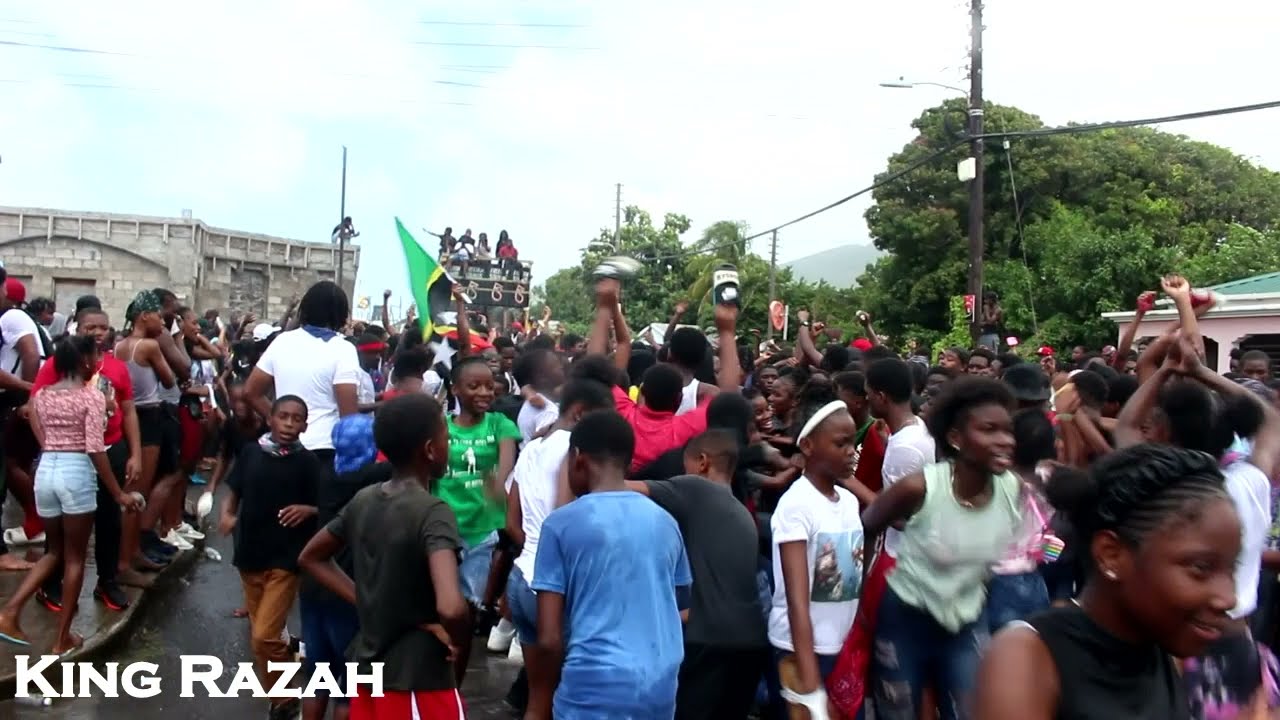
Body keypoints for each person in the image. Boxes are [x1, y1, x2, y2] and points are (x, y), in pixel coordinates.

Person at [975, 445, 1241, 720]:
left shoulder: (1165, 645)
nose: (1229, 598)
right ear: (1111, 555)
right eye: (1201, 568)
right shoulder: (1026, 659)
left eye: (1233, 567)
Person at [299, 394, 469, 720]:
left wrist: (367, 602)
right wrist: (457, 636)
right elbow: (451, 606)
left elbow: (311, 557)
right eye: (446, 437)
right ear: (431, 449)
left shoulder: (364, 499)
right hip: (416, 682)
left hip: (369, 674)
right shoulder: (434, 512)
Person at [862, 376, 1022, 720]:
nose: (1005, 440)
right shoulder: (918, 488)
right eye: (989, 430)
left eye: (1008, 430)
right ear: (955, 439)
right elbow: (869, 524)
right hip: (905, 620)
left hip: (966, 621)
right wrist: (861, 597)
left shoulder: (1013, 490)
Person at [527, 410, 692, 719]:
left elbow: (549, 639)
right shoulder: (665, 522)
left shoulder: (561, 525)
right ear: (629, 461)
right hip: (661, 684)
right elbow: (681, 606)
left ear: (578, 458)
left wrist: (544, 698)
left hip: (593, 685)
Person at [0, 335, 140, 653]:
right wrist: (118, 493)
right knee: (74, 558)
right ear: (85, 361)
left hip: (46, 469)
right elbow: (94, 448)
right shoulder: (89, 397)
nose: (97, 361)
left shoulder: (45, 394)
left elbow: (37, 421)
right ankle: (62, 637)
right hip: (75, 473)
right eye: (94, 356)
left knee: (54, 552)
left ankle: (10, 611)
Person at [625, 429, 770, 719]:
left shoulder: (695, 488)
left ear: (702, 462)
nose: (683, 471)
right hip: (751, 641)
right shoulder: (743, 514)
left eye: (686, 463)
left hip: (710, 640)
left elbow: (617, 487)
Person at [504, 378, 615, 715]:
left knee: (538, 698)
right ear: (580, 414)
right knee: (569, 700)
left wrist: (535, 550)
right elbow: (570, 522)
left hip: (522, 580)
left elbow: (511, 523)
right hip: (556, 589)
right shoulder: (577, 453)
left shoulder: (533, 449)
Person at [33, 306, 144, 611]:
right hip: (74, 459)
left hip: (112, 450)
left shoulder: (117, 367)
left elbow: (129, 409)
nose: (98, 333)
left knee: (110, 522)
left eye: (103, 327)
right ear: (76, 329)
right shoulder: (60, 364)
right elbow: (35, 406)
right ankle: (50, 585)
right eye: (91, 327)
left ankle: (107, 582)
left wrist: (135, 452)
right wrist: (50, 445)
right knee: (63, 527)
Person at [218, 395, 319, 719]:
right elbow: (233, 491)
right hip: (250, 554)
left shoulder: (308, 463)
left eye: (296, 419)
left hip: (286, 560)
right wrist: (228, 514)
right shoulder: (251, 453)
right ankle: (282, 697)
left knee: (264, 636)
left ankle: (286, 695)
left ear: (305, 425)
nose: (289, 424)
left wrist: (309, 509)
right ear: (271, 419)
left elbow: (329, 506)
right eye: (284, 417)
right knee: (260, 638)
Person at [767, 389, 865, 719]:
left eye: (853, 443)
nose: (851, 452)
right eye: (841, 444)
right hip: (800, 650)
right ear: (808, 446)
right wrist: (809, 682)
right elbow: (796, 598)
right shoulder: (797, 505)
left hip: (839, 647)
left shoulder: (848, 501)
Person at [440, 355, 520, 670]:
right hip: (443, 531)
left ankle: (454, 691)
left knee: (467, 611)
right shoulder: (440, 426)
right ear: (456, 389)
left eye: (489, 386)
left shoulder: (501, 424)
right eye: (474, 386)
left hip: (482, 532)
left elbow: (507, 457)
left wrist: (498, 482)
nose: (485, 392)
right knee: (443, 608)